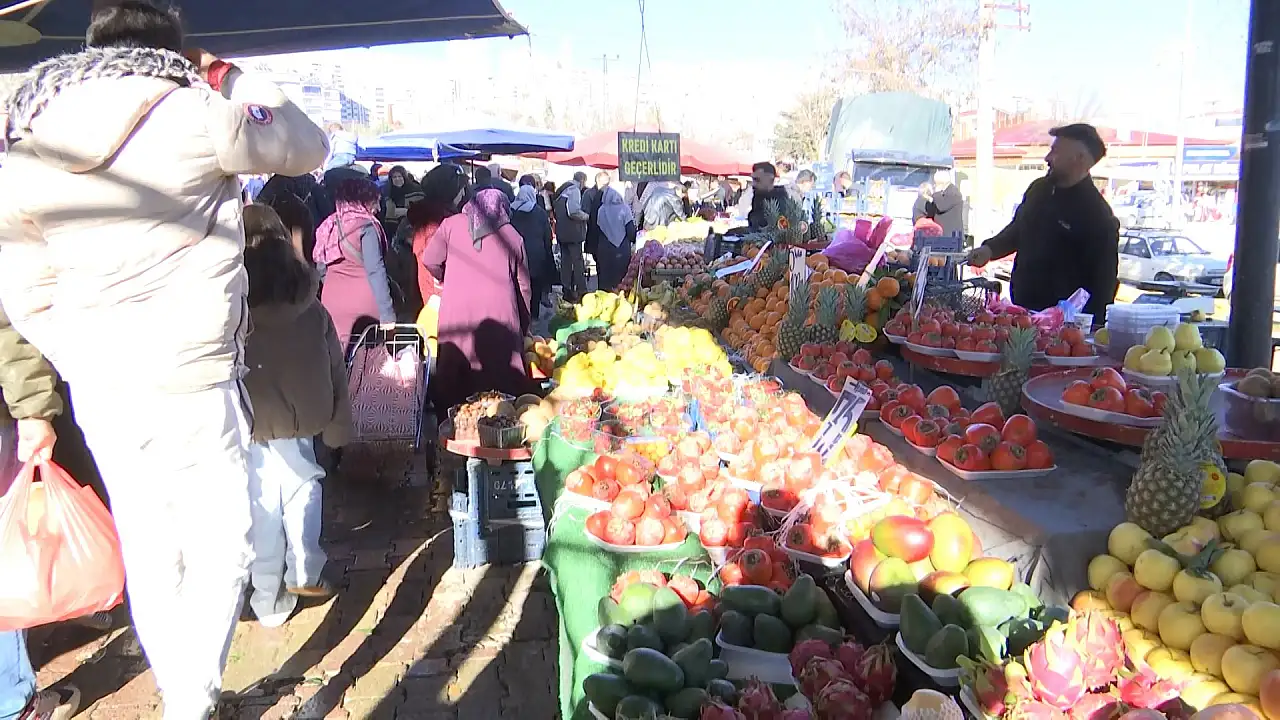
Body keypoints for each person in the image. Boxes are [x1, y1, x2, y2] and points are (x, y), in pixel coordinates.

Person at [0, 3, 329, 717]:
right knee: (222, 547)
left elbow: (20, 283)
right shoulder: (195, 111)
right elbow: (308, 144)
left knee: (153, 550)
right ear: (172, 47)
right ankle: (193, 699)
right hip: (196, 378)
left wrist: (75, 350)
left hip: (101, 383)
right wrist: (234, 77)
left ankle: (187, 696)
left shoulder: (27, 133)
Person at [240, 205, 350, 628]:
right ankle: (305, 566)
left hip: (252, 419)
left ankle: (268, 598)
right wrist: (340, 424)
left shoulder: (231, 306)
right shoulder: (309, 301)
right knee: (304, 484)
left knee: (261, 503)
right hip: (305, 413)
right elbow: (335, 364)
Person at [966, 123, 1119, 321]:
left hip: (1061, 331)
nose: (1047, 158)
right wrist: (990, 250)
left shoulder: (1098, 216)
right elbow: (1018, 229)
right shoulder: (1039, 189)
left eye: (1055, 152)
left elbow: (1103, 285)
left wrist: (1088, 332)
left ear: (1079, 158)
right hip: (1021, 313)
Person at [422, 188, 533, 411]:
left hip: (457, 309)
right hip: (500, 313)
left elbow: (430, 260)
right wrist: (524, 322)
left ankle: (453, 424)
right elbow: (524, 286)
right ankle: (499, 423)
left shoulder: (451, 225)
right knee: (500, 370)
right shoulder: (511, 235)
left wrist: (448, 277)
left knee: (457, 363)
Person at [314, 178, 398, 347]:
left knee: (338, 358)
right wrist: (387, 314)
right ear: (364, 200)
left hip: (332, 301)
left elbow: (320, 266)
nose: (378, 208)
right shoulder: (366, 226)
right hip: (365, 303)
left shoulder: (328, 225)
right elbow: (375, 270)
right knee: (367, 362)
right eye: (375, 202)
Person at [511, 176, 555, 319]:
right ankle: (533, 316)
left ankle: (518, 315)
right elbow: (547, 235)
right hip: (536, 254)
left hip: (514, 253)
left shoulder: (510, 211)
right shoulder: (539, 212)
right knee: (534, 286)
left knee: (516, 285)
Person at [554, 172, 590, 302]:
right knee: (577, 262)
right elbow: (573, 211)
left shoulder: (562, 190)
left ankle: (567, 289)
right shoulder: (574, 190)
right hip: (573, 233)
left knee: (565, 262)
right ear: (582, 180)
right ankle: (582, 291)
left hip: (562, 231)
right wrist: (586, 216)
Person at [595, 186, 637, 292]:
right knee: (621, 279)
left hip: (604, 248)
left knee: (606, 278)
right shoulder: (624, 208)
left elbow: (598, 228)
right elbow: (631, 231)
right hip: (622, 248)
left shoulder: (601, 210)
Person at [747, 162, 789, 230]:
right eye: (753, 179)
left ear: (770, 179)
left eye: (757, 180)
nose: (753, 184)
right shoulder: (758, 197)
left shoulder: (781, 201)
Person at [382, 165, 422, 235]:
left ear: (405, 177)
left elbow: (424, 211)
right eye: (394, 177)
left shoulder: (416, 191)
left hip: (412, 230)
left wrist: (407, 212)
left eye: (399, 176)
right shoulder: (387, 193)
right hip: (392, 231)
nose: (397, 179)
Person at [925, 169, 965, 240]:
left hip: (951, 236)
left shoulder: (953, 193)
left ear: (942, 183)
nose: (935, 185)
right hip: (943, 234)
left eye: (936, 183)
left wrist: (936, 192)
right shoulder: (944, 193)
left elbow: (941, 207)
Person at [582, 171, 610, 262]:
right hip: (594, 231)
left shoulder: (611, 194)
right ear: (597, 181)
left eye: (607, 183)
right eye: (604, 183)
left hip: (608, 233)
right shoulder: (589, 194)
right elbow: (585, 212)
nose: (606, 186)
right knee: (598, 259)